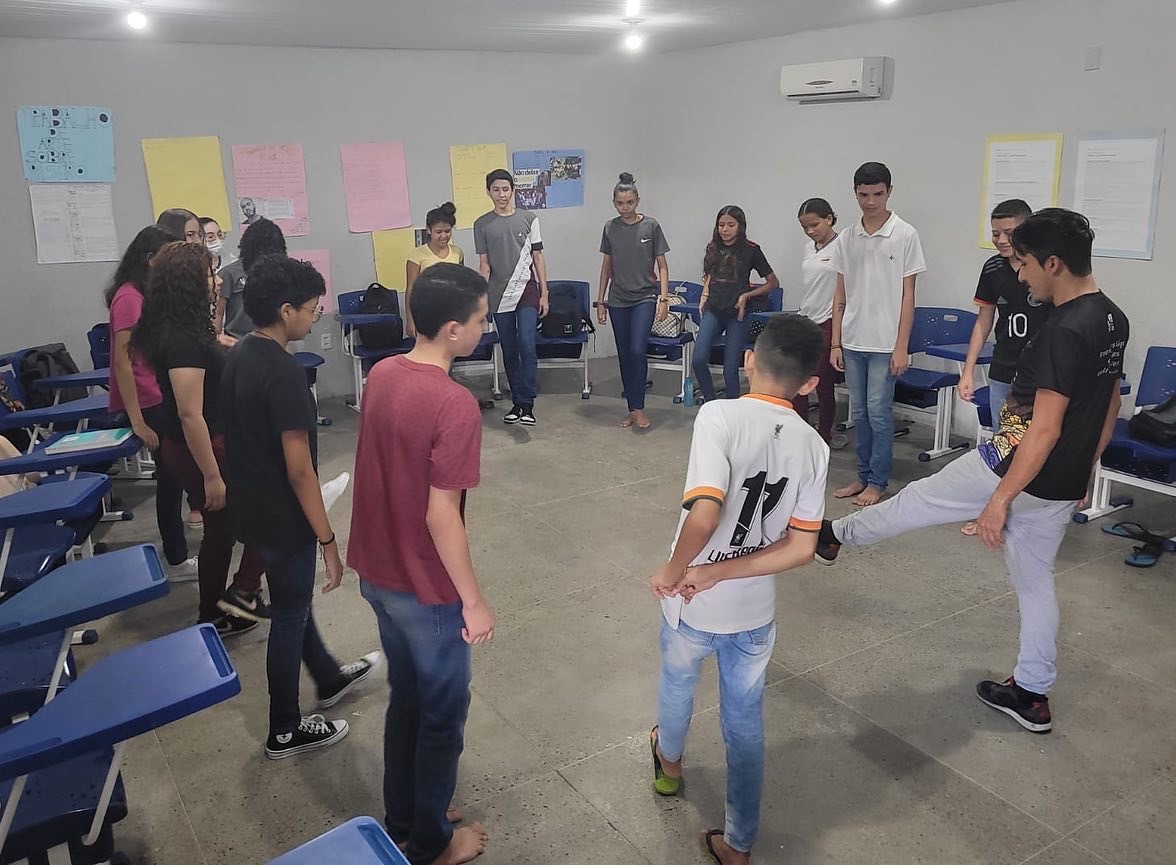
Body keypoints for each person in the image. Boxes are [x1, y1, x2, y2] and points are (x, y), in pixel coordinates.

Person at [764, 210, 1126, 734]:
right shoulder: (1112, 317)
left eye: (1025, 263)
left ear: (1053, 263)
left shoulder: (1064, 330)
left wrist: (999, 501)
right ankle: (1031, 694)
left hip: (1011, 464)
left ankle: (835, 535)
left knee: (918, 500)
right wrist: (1086, 466)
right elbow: (1109, 402)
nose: (1020, 274)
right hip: (1060, 482)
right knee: (1035, 583)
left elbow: (1044, 429)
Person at [648, 315, 829, 865]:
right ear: (809, 383)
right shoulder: (815, 446)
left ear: (749, 360)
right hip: (752, 610)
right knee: (745, 722)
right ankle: (738, 843)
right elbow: (802, 548)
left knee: (677, 685)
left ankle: (669, 768)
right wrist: (725, 572)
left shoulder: (719, 415)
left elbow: (705, 514)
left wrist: (677, 570)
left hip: (692, 602)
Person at [349, 262, 494, 865]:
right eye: (482, 319)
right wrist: (473, 601)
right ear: (454, 330)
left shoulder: (382, 373)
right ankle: (432, 843)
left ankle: (406, 815)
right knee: (442, 711)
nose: (486, 328)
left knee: (406, 696)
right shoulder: (455, 405)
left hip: (377, 572)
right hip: (425, 589)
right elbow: (442, 517)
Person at [222, 254, 379, 759]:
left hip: (253, 507)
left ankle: (328, 677)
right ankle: (285, 728)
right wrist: (328, 540)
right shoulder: (284, 372)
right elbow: (300, 471)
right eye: (312, 308)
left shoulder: (240, 354)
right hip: (283, 515)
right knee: (289, 616)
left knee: (293, 602)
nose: (316, 316)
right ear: (285, 310)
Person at [131, 241, 269, 638]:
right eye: (210, 274)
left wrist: (226, 345)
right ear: (189, 283)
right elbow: (190, 413)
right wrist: (212, 476)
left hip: (203, 443)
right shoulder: (182, 340)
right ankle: (242, 593)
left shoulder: (183, 328)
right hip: (205, 447)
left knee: (221, 531)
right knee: (273, 514)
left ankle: (213, 614)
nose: (217, 280)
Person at [829, 162, 926, 506]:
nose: (870, 201)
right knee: (859, 414)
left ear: (889, 192)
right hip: (852, 340)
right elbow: (840, 293)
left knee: (878, 412)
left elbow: (908, 296)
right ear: (855, 193)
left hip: (886, 344)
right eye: (863, 195)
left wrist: (902, 347)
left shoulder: (905, 234)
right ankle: (862, 475)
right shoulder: (847, 237)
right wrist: (836, 342)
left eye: (877, 194)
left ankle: (878, 481)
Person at [105, 225, 197, 580]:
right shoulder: (129, 298)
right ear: (149, 259)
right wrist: (137, 420)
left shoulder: (144, 293)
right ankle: (175, 558)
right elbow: (122, 362)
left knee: (175, 474)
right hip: (147, 400)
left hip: (157, 392)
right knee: (171, 478)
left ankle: (177, 552)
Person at [958, 199, 1048, 535]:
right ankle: (997, 510)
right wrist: (968, 371)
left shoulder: (1045, 266)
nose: (1000, 239)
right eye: (995, 233)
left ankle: (1031, 513)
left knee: (1039, 445)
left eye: (1008, 232)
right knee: (1004, 443)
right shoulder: (993, 268)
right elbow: (984, 321)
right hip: (1003, 370)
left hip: (1042, 376)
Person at [474, 169, 549, 427]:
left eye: (505, 189)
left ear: (513, 191)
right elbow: (484, 265)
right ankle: (517, 403)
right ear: (489, 192)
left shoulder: (529, 218)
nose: (501, 194)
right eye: (496, 190)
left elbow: (538, 257)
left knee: (527, 343)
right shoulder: (482, 224)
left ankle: (527, 403)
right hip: (499, 295)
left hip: (527, 291)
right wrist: (480, 300)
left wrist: (544, 292)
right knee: (509, 348)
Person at [596, 172, 671, 430]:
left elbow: (662, 266)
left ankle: (639, 407)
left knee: (638, 350)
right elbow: (606, 267)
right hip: (618, 299)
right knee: (625, 354)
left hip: (645, 297)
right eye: (620, 203)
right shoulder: (610, 228)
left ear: (637, 201)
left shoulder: (651, 226)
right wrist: (601, 301)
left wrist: (663, 298)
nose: (625, 207)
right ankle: (632, 408)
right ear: (614, 203)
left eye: (629, 202)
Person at [693, 206, 779, 403]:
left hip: (737, 314)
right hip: (714, 309)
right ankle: (711, 402)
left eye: (731, 225)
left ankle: (732, 409)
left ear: (740, 226)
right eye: (721, 225)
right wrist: (704, 294)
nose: (725, 229)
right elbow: (710, 273)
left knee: (730, 368)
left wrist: (746, 296)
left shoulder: (751, 250)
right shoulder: (713, 247)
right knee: (698, 359)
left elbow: (773, 282)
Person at [794, 198, 847, 447]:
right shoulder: (808, 248)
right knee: (798, 381)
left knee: (823, 384)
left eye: (814, 225)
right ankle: (800, 433)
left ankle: (824, 436)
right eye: (805, 227)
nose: (810, 231)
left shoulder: (843, 246)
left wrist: (837, 340)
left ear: (829, 219)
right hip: (806, 319)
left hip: (829, 321)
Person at [216, 217, 287, 342]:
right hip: (236, 341)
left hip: (274, 339)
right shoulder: (229, 273)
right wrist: (216, 340)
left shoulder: (282, 272)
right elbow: (218, 313)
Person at [406, 202, 464, 340]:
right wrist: (410, 320)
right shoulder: (417, 255)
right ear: (429, 230)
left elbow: (462, 285)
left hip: (453, 314)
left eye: (447, 231)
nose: (444, 236)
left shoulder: (457, 252)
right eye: (438, 232)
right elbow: (411, 290)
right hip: (427, 314)